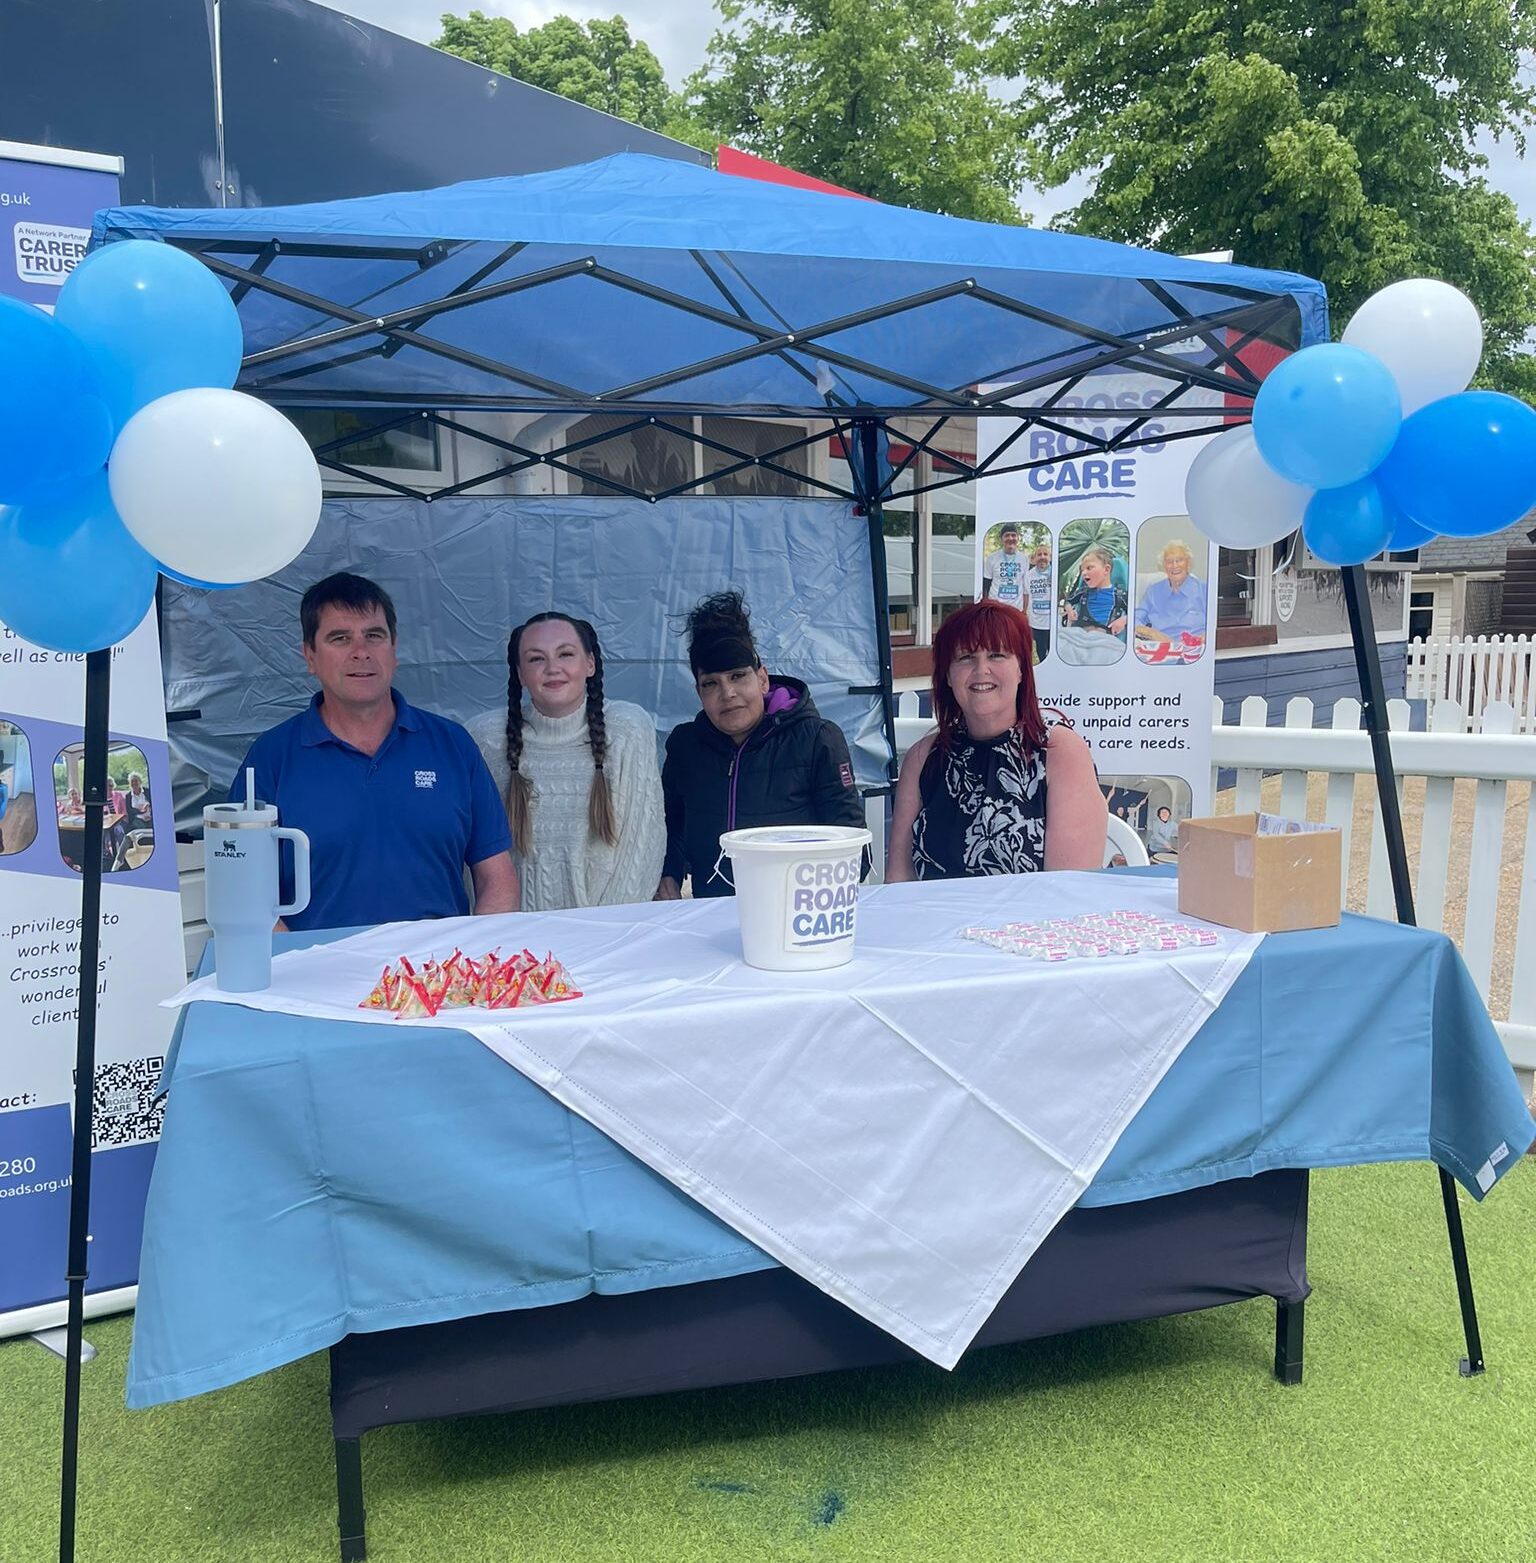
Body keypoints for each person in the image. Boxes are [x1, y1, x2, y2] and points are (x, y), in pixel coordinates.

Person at [232, 572, 519, 931]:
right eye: (340, 638)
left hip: (435, 978)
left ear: (394, 649)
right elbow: (243, 888)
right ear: (310, 656)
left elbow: (497, 878)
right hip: (318, 976)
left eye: (374, 635)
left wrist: (476, 957)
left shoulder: (452, 745)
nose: (361, 652)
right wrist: (297, 964)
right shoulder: (270, 759)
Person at [657, 590, 866, 899]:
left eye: (738, 676)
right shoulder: (685, 746)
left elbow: (853, 853)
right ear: (699, 692)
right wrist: (669, 873)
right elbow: (669, 826)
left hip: (793, 916)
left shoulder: (817, 739)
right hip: (706, 916)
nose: (727, 693)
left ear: (763, 679)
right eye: (711, 683)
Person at [887, 599, 1107, 881]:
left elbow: (1068, 890)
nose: (981, 670)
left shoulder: (1059, 752)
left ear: (1021, 670)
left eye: (997, 655)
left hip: (1030, 923)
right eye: (965, 657)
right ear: (948, 676)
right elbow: (898, 881)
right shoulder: (923, 758)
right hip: (934, 921)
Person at [467, 612, 665, 911]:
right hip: (516, 942)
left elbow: (642, 846)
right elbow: (474, 860)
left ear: (590, 663)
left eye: (566, 654)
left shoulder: (628, 729)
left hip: (608, 934)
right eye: (536, 659)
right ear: (520, 673)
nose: (552, 668)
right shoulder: (486, 738)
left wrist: (605, 931)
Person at [1134, 540, 1208, 664]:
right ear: (1164, 566)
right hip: (1162, 649)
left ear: (1188, 564)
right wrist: (1153, 634)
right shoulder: (1153, 591)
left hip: (1195, 652)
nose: (1174, 565)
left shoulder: (1204, 589)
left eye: (1179, 560)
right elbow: (1135, 620)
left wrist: (1204, 638)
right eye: (1169, 561)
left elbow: (1217, 625)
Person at [1059, 546, 1128, 666]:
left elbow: (1138, 613)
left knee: (1101, 657)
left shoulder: (1120, 594)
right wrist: (1069, 610)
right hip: (1079, 635)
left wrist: (1124, 619)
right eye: (1082, 570)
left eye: (1089, 568)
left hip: (1104, 640)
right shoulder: (1083, 591)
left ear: (1106, 570)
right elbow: (1068, 602)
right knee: (1062, 647)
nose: (1084, 572)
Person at [981, 524, 1028, 612]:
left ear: (1018, 538)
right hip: (996, 608)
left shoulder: (1024, 559)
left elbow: (1026, 587)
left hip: (1016, 609)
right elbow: (986, 584)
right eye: (1007, 535)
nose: (1010, 538)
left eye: (1013, 535)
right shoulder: (992, 558)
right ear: (1001, 539)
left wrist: (1025, 610)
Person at [1026, 542, 1053, 661]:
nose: (1042, 557)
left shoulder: (1055, 573)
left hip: (1051, 622)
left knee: (1052, 652)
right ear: (1034, 558)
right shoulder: (1028, 575)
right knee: (1041, 652)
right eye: (1039, 554)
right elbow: (1026, 595)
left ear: (1050, 558)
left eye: (1045, 554)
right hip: (1036, 622)